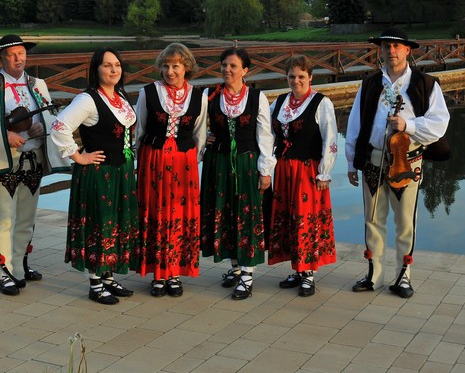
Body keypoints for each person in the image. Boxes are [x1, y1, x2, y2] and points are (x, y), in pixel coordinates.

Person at [346, 27, 450, 299]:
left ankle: (403, 276)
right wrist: (350, 161)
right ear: (380, 51)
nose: (390, 51)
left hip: (406, 161)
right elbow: (355, 124)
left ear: (407, 50)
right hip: (373, 160)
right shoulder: (370, 84)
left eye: (396, 46)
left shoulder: (425, 84)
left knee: (405, 222)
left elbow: (440, 123)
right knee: (372, 220)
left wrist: (409, 125)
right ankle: (374, 274)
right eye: (385, 46)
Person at [0, 35, 69, 296]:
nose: (18, 58)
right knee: (4, 219)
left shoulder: (38, 84)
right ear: (0, 58)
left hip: (33, 159)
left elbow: (49, 117)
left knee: (26, 217)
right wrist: (6, 134)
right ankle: (4, 272)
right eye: (12, 54)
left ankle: (21, 265)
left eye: (22, 53)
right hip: (5, 162)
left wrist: (40, 127)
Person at [49, 48, 138, 305]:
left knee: (115, 223)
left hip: (120, 172)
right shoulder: (88, 99)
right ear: (96, 69)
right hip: (99, 174)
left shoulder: (120, 95)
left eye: (117, 65)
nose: (113, 70)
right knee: (99, 224)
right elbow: (60, 126)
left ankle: (108, 276)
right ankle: (95, 283)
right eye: (107, 65)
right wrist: (78, 156)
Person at [133, 43, 207, 297]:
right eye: (165, 66)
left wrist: (188, 162)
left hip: (183, 166)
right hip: (152, 163)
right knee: (155, 213)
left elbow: (199, 135)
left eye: (176, 65)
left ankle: (174, 272)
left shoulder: (199, 97)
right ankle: (157, 273)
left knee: (179, 215)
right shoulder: (148, 93)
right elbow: (139, 130)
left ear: (187, 67)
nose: (170, 71)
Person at [200, 47, 275, 300]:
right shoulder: (209, 96)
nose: (227, 70)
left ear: (245, 70)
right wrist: (204, 141)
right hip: (218, 164)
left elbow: (265, 136)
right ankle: (234, 267)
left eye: (233, 66)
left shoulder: (256, 97)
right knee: (225, 213)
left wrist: (266, 171)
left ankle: (247, 274)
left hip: (246, 164)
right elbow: (195, 127)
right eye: (223, 65)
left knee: (248, 216)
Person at [267, 55, 337, 297]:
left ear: (310, 77)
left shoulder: (321, 102)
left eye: (301, 77)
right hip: (284, 169)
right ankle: (297, 269)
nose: (296, 81)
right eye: (291, 76)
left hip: (308, 170)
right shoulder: (279, 102)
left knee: (306, 219)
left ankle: (308, 273)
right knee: (289, 218)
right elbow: (266, 133)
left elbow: (330, 140)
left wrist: (324, 173)